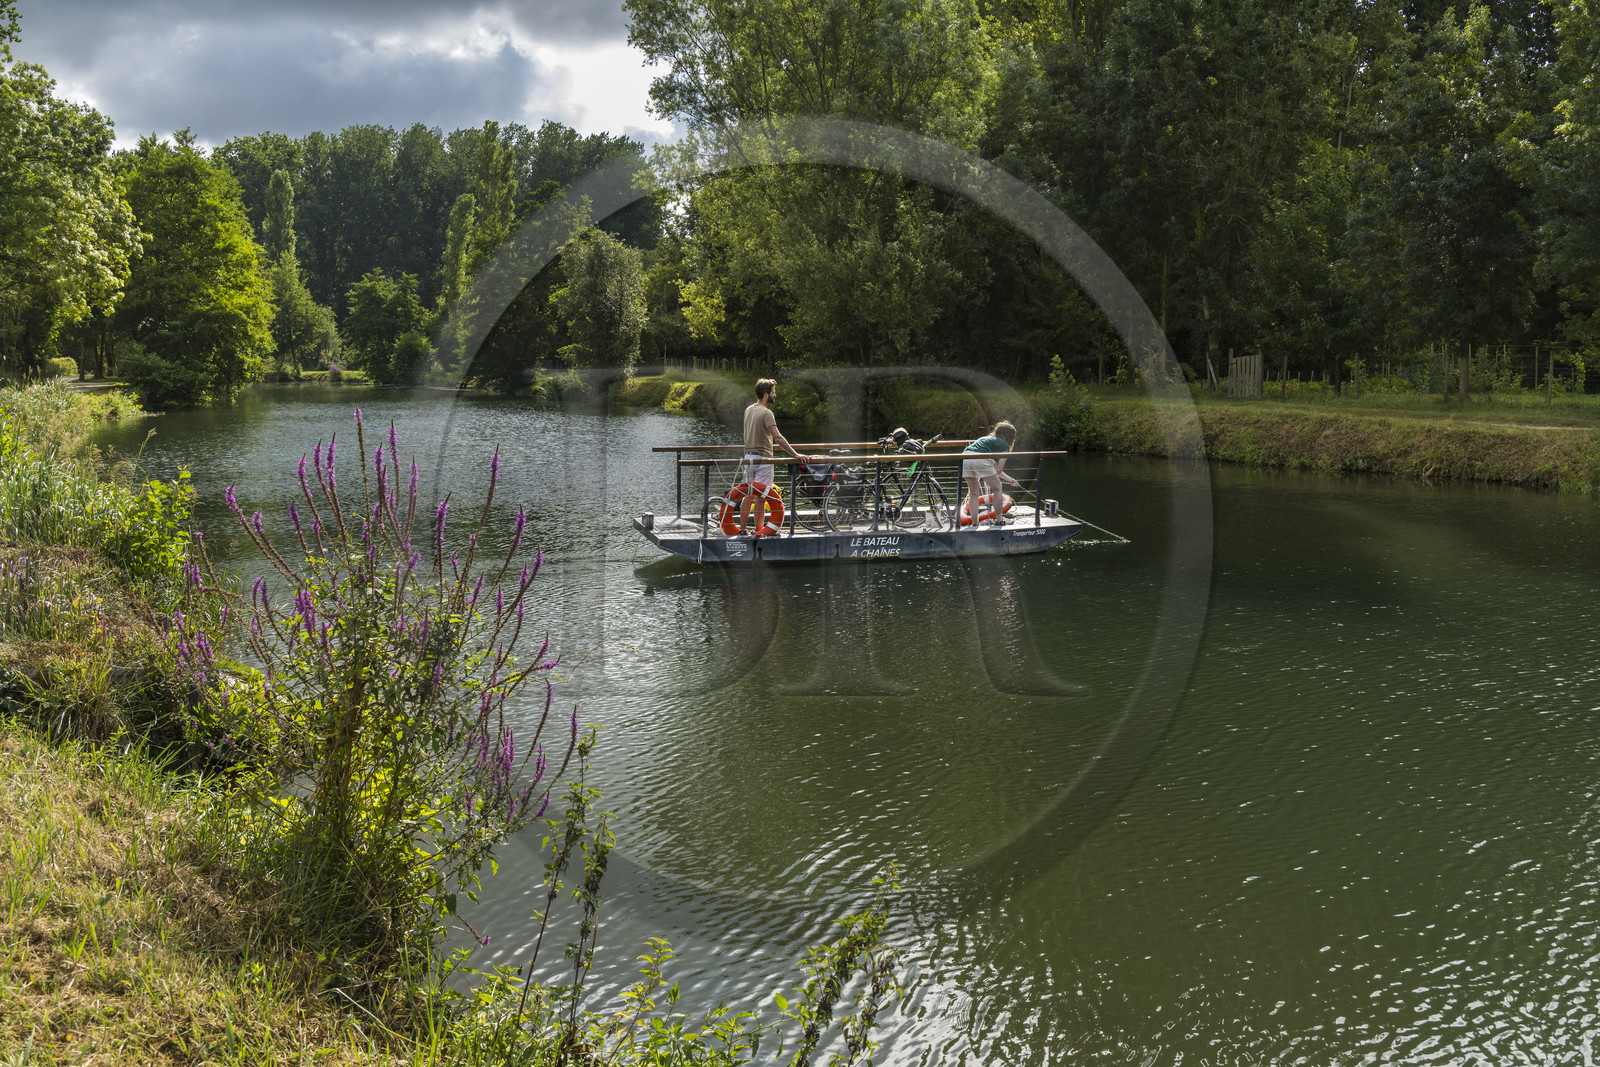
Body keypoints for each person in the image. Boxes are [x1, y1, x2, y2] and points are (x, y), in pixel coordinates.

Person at [740, 379, 810, 536]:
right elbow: (777, 437)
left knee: (748, 495)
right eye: (773, 392)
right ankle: (758, 531)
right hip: (763, 459)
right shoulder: (767, 413)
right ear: (766, 394)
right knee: (761, 498)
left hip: (748, 458)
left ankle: (743, 530)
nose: (775, 395)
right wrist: (795, 454)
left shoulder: (748, 410)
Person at [962, 421, 1022, 527]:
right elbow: (998, 470)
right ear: (1010, 436)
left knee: (974, 493)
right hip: (981, 459)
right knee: (997, 489)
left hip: (965, 458)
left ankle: (975, 523)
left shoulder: (986, 440)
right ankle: (999, 520)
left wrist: (1010, 480)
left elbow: (994, 470)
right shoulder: (1004, 445)